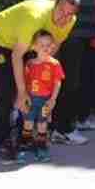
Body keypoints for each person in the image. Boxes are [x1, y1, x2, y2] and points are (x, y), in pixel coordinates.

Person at [0, 0, 80, 162]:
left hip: (30, 43)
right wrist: (21, 92)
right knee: (8, 91)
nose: (63, 18)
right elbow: (16, 56)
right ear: (54, 4)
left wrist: (46, 78)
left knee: (34, 89)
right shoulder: (34, 17)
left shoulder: (69, 21)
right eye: (60, 12)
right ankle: (3, 142)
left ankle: (24, 138)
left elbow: (53, 46)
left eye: (69, 14)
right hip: (0, 39)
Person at [53, 0, 95, 144]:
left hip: (86, 34)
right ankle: (62, 128)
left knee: (81, 80)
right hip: (72, 34)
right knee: (69, 82)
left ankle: (72, 122)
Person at [21, 30, 64, 162]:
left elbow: (57, 83)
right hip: (31, 99)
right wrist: (24, 96)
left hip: (45, 101)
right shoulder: (29, 64)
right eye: (42, 45)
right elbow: (24, 82)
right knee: (27, 123)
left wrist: (53, 99)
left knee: (42, 124)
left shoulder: (54, 64)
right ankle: (25, 148)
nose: (45, 48)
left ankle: (42, 149)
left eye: (48, 45)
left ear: (52, 46)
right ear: (34, 46)